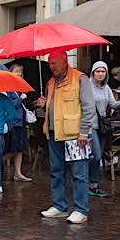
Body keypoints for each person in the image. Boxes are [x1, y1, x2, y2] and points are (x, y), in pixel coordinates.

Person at [36, 50, 96, 224]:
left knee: (79, 174)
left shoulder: (80, 79)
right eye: (49, 64)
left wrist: (84, 132)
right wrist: (42, 104)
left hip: (75, 135)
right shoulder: (50, 82)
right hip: (55, 133)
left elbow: (89, 108)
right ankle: (59, 206)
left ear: (64, 61)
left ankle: (81, 209)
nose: (51, 67)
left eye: (54, 63)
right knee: (56, 172)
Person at [88, 61, 120, 197]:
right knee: (96, 155)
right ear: (93, 73)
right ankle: (85, 182)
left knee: (98, 156)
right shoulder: (86, 87)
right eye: (98, 71)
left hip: (102, 126)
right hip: (89, 125)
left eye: (103, 71)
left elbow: (114, 105)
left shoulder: (106, 88)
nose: (100, 74)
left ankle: (93, 185)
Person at [4, 64, 32, 182]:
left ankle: (18, 173)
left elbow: (25, 106)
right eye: (16, 71)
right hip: (13, 122)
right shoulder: (8, 88)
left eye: (20, 72)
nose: (19, 74)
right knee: (13, 149)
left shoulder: (20, 88)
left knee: (20, 149)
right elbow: (10, 105)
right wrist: (21, 98)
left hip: (21, 122)